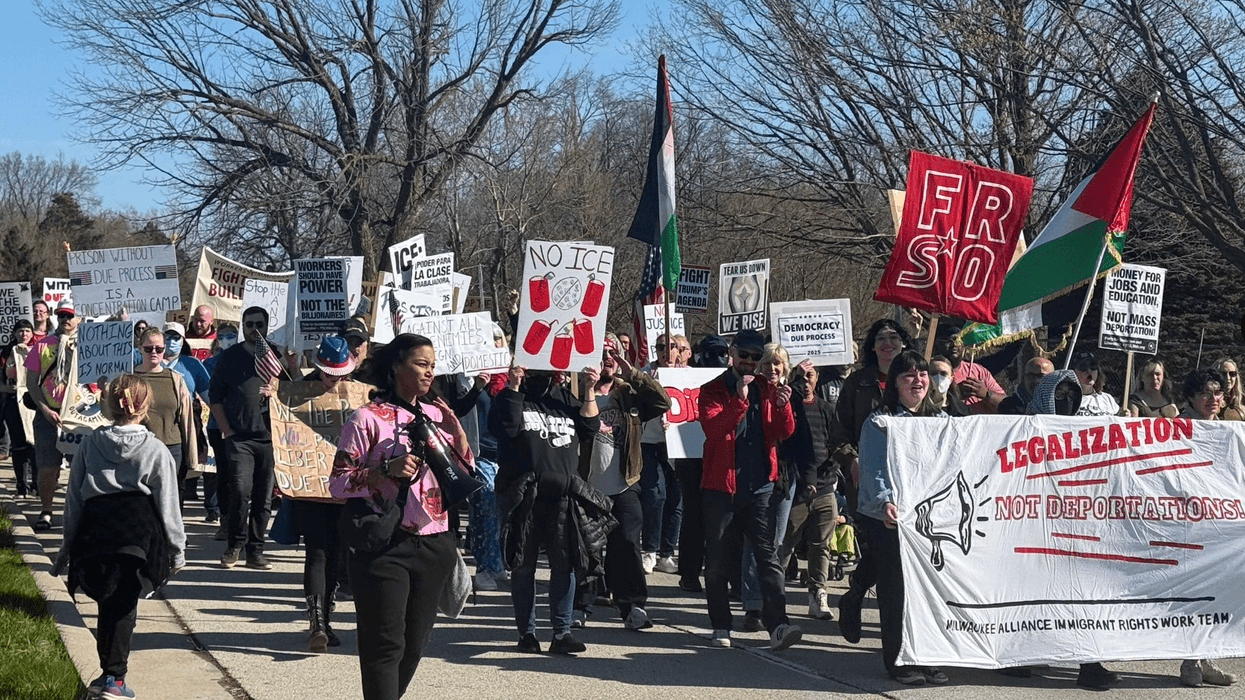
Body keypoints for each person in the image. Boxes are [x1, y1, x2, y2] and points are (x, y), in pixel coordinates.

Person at [327, 333, 465, 699]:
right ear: (396, 366)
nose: (428, 372)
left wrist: (457, 433)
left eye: (432, 366)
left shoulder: (437, 415)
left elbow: (461, 477)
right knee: (384, 645)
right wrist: (384, 470)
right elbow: (337, 484)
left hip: (434, 542)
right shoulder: (366, 418)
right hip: (384, 544)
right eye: (421, 364)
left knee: (413, 645)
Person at [50, 373, 186, 700]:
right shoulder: (155, 449)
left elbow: (75, 499)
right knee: (123, 605)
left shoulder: (90, 444)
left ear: (109, 406)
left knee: (107, 604)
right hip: (137, 535)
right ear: (145, 408)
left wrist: (66, 548)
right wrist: (176, 549)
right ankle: (115, 678)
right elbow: (168, 504)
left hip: (96, 531)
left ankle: (109, 674)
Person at [698, 328, 801, 651]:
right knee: (717, 560)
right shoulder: (713, 389)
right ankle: (720, 625)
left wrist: (783, 406)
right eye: (745, 356)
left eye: (757, 358)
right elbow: (714, 429)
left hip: (759, 486)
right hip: (720, 486)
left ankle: (778, 625)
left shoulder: (767, 388)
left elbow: (780, 432)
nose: (751, 362)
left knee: (767, 557)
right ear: (733, 353)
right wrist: (739, 403)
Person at [492, 360, 604, 655]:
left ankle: (561, 633)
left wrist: (589, 389)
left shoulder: (564, 396)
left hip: (563, 495)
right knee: (524, 565)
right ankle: (526, 634)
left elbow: (589, 428)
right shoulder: (511, 396)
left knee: (564, 565)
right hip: (523, 495)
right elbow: (506, 427)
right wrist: (514, 385)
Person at [1022, 369, 1123, 690]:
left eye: (1072, 395)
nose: (1066, 401)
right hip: (1030, 526)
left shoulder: (1084, 431)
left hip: (1073, 525)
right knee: (1028, 594)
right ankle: (1018, 657)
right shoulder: (1022, 428)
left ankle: (1089, 664)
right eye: (1059, 394)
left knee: (1080, 593)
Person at [856, 349, 947, 686]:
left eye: (922, 374)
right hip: (891, 521)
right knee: (896, 592)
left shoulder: (940, 421)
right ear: (894, 382)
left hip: (930, 521)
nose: (918, 380)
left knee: (929, 592)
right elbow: (874, 467)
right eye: (908, 374)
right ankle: (899, 660)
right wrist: (884, 504)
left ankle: (929, 657)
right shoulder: (880, 422)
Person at [583, 333, 671, 630]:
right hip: (587, 484)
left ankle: (633, 605)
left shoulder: (629, 392)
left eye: (612, 352)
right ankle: (580, 606)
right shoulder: (577, 390)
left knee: (628, 544)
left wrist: (632, 372)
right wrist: (586, 388)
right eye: (601, 351)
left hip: (624, 481)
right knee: (586, 547)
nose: (606, 357)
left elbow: (663, 401)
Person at [835, 317, 914, 641]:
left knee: (894, 556)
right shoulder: (858, 382)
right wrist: (853, 460)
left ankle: (855, 592)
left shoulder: (916, 380)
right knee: (880, 551)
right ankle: (866, 607)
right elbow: (840, 433)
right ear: (872, 346)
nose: (887, 343)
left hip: (910, 485)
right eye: (880, 338)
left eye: (894, 337)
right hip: (868, 484)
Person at [288, 336, 360, 653]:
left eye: (339, 373)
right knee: (317, 551)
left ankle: (326, 621)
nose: (334, 379)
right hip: (310, 484)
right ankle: (316, 623)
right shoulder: (297, 392)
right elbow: (280, 432)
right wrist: (272, 402)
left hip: (344, 487)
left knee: (337, 552)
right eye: (329, 372)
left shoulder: (356, 393)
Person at [209, 306, 291, 570]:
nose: (255, 330)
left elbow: (297, 393)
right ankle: (234, 546)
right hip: (239, 438)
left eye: (260, 325)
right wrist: (228, 431)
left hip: (270, 439)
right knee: (240, 492)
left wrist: (286, 374)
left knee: (263, 498)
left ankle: (256, 551)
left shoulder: (276, 356)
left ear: (267, 327)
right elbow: (215, 397)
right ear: (242, 326)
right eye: (249, 324)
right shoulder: (229, 357)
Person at [776, 360, 841, 621]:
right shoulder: (788, 408)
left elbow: (835, 442)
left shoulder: (826, 409)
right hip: (795, 489)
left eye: (810, 376)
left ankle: (818, 594)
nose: (805, 382)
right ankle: (774, 594)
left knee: (821, 545)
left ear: (817, 379)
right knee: (785, 544)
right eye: (800, 376)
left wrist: (831, 471)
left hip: (825, 488)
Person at [739, 343, 796, 632]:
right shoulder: (752, 390)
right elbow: (769, 432)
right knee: (756, 543)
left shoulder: (792, 394)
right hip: (758, 475)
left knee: (774, 544)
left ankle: (772, 604)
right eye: (767, 364)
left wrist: (785, 405)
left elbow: (790, 434)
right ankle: (753, 605)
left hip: (785, 476)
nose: (772, 369)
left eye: (778, 364)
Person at [25, 299, 80, 531]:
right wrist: (45, 409)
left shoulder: (89, 345)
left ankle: (78, 512)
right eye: (61, 316)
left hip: (79, 417)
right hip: (49, 414)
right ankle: (46, 510)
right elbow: (31, 383)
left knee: (80, 468)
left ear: (78, 318)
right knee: (48, 467)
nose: (65, 320)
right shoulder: (42, 345)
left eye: (70, 315)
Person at [131, 327, 197, 506]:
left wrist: (191, 453)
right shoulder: (129, 378)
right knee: (143, 500)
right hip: (139, 448)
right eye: (148, 348)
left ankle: (168, 534)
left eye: (159, 349)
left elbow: (186, 418)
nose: (154, 352)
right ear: (140, 348)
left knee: (168, 500)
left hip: (171, 448)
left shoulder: (175, 379)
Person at [639, 334, 682, 574]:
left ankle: (667, 552)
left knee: (676, 497)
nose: (666, 351)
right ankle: (650, 549)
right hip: (651, 441)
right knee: (655, 493)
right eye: (661, 347)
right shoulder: (646, 374)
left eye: (672, 347)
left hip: (677, 443)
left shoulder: (686, 374)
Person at [202, 323, 239, 528]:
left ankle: (237, 516)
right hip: (216, 424)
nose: (227, 339)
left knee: (239, 475)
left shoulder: (243, 359)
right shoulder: (209, 364)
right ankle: (225, 517)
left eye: (231, 335)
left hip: (240, 424)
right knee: (223, 473)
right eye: (223, 336)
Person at [1, 319, 36, 496]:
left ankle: (36, 484)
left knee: (35, 444)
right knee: (18, 445)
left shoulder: (39, 350)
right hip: (13, 402)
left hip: (34, 402)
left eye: (27, 331)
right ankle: (21, 486)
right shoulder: (6, 353)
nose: (24, 334)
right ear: (15, 333)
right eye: (20, 331)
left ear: (32, 333)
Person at [933, 328, 1004, 413]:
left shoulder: (978, 371)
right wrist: (956, 393)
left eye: (959, 340)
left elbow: (1005, 402)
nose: (954, 344)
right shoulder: (931, 371)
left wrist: (986, 394)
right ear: (937, 344)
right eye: (949, 341)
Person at [1071, 351, 1121, 416]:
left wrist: (1123, 416)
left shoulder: (1107, 398)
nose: (1089, 371)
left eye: (1093, 367)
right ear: (1073, 372)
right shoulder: (1069, 400)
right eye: (1083, 367)